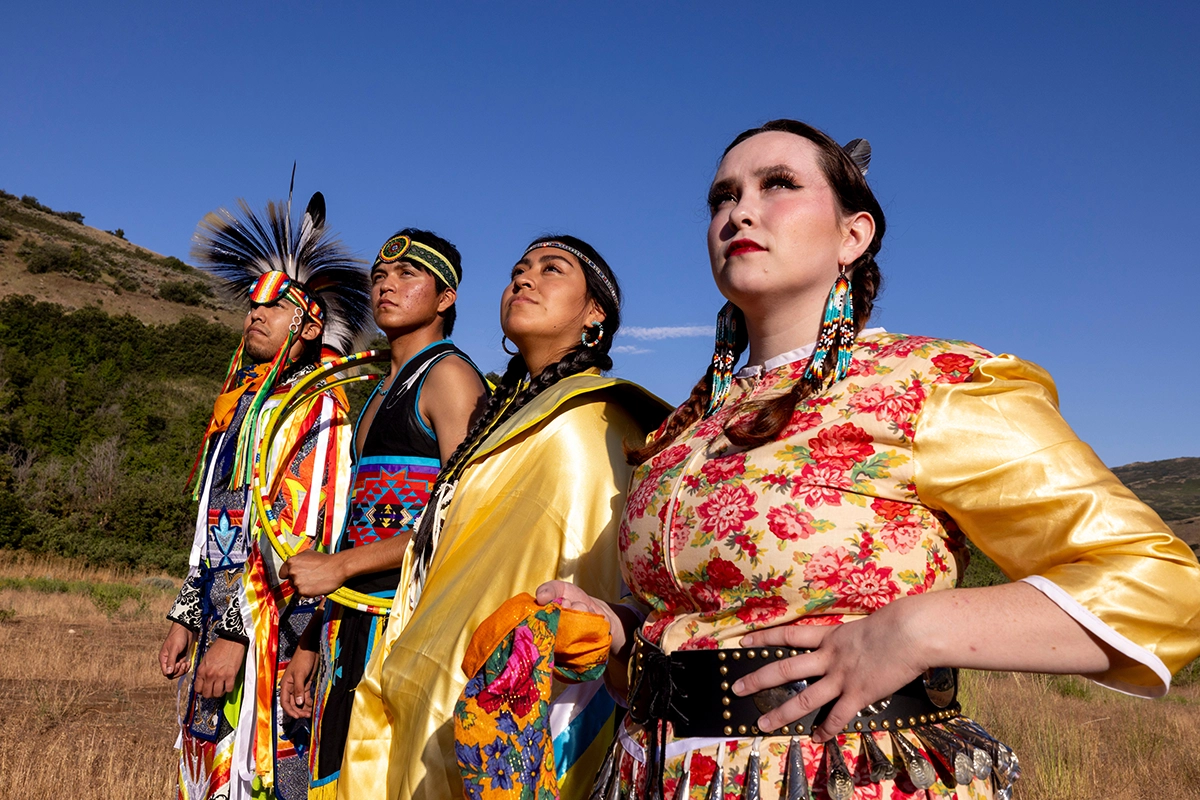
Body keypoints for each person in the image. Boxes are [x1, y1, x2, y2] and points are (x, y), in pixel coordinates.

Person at [540, 120, 1200, 800]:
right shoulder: (682, 430)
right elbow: (692, 622)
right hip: (651, 778)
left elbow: (1160, 587)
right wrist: (617, 633)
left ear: (853, 236)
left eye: (779, 186)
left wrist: (920, 630)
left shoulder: (930, 384)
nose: (740, 210)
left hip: (848, 776)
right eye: (722, 196)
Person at [336, 235, 671, 800]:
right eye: (518, 269)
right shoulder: (497, 417)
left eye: (552, 269)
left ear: (596, 313)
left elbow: (589, 571)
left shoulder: (599, 419)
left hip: (516, 695)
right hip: (426, 668)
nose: (524, 279)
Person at [158, 189, 372, 800]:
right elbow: (217, 522)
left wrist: (233, 634)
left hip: (272, 634)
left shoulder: (317, 410)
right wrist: (187, 612)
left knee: (268, 776)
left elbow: (300, 537)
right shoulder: (243, 409)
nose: (255, 314)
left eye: (274, 306)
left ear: (308, 324)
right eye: (252, 304)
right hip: (223, 623)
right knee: (210, 771)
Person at [276, 229, 488, 799]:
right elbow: (359, 517)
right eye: (379, 277)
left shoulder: (449, 378)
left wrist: (341, 566)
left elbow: (462, 515)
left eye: (407, 275)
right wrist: (307, 640)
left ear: (445, 298)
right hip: (350, 621)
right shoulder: (376, 391)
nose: (387, 286)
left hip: (408, 623)